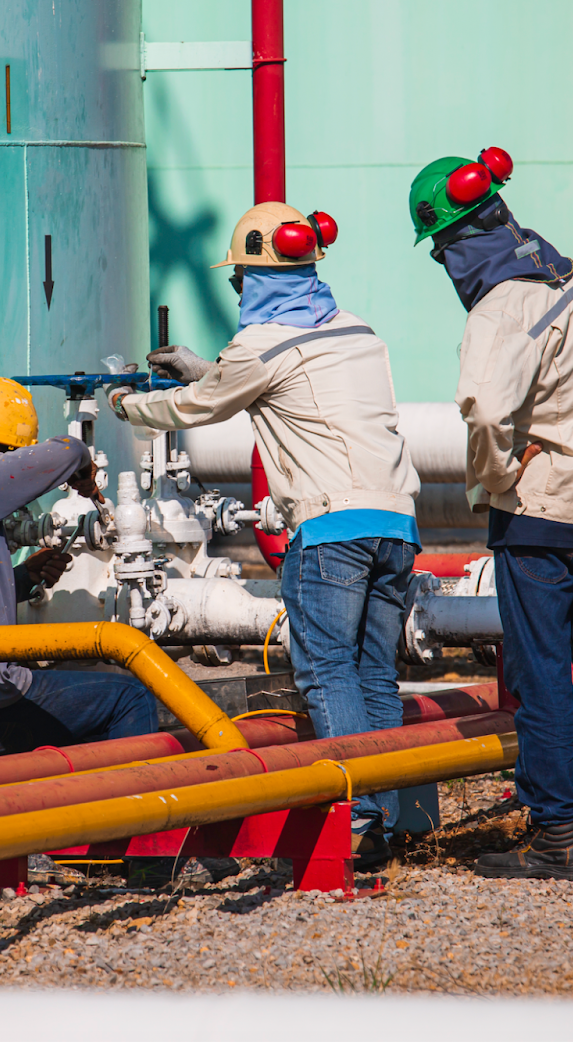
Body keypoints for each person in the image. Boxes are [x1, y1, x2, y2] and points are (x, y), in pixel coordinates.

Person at [108, 202, 420, 869]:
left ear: (257, 278)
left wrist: (123, 404)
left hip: (332, 528)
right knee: (373, 672)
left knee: (326, 670)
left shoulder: (260, 345)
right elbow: (276, 380)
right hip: (397, 524)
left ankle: (353, 819)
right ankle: (384, 815)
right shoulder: (357, 330)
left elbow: (204, 405)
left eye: (238, 280)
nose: (238, 291)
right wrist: (202, 365)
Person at [408, 148, 573, 879]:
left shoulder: (501, 304)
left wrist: (494, 479)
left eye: (441, 251)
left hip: (538, 513)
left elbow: (486, 410)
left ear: (456, 240)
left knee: (543, 675)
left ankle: (558, 835)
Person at [0, 377, 158, 758]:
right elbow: (69, 450)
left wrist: (23, 577)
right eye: (11, 456)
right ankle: (134, 811)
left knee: (82, 721)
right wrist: (84, 475)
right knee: (131, 698)